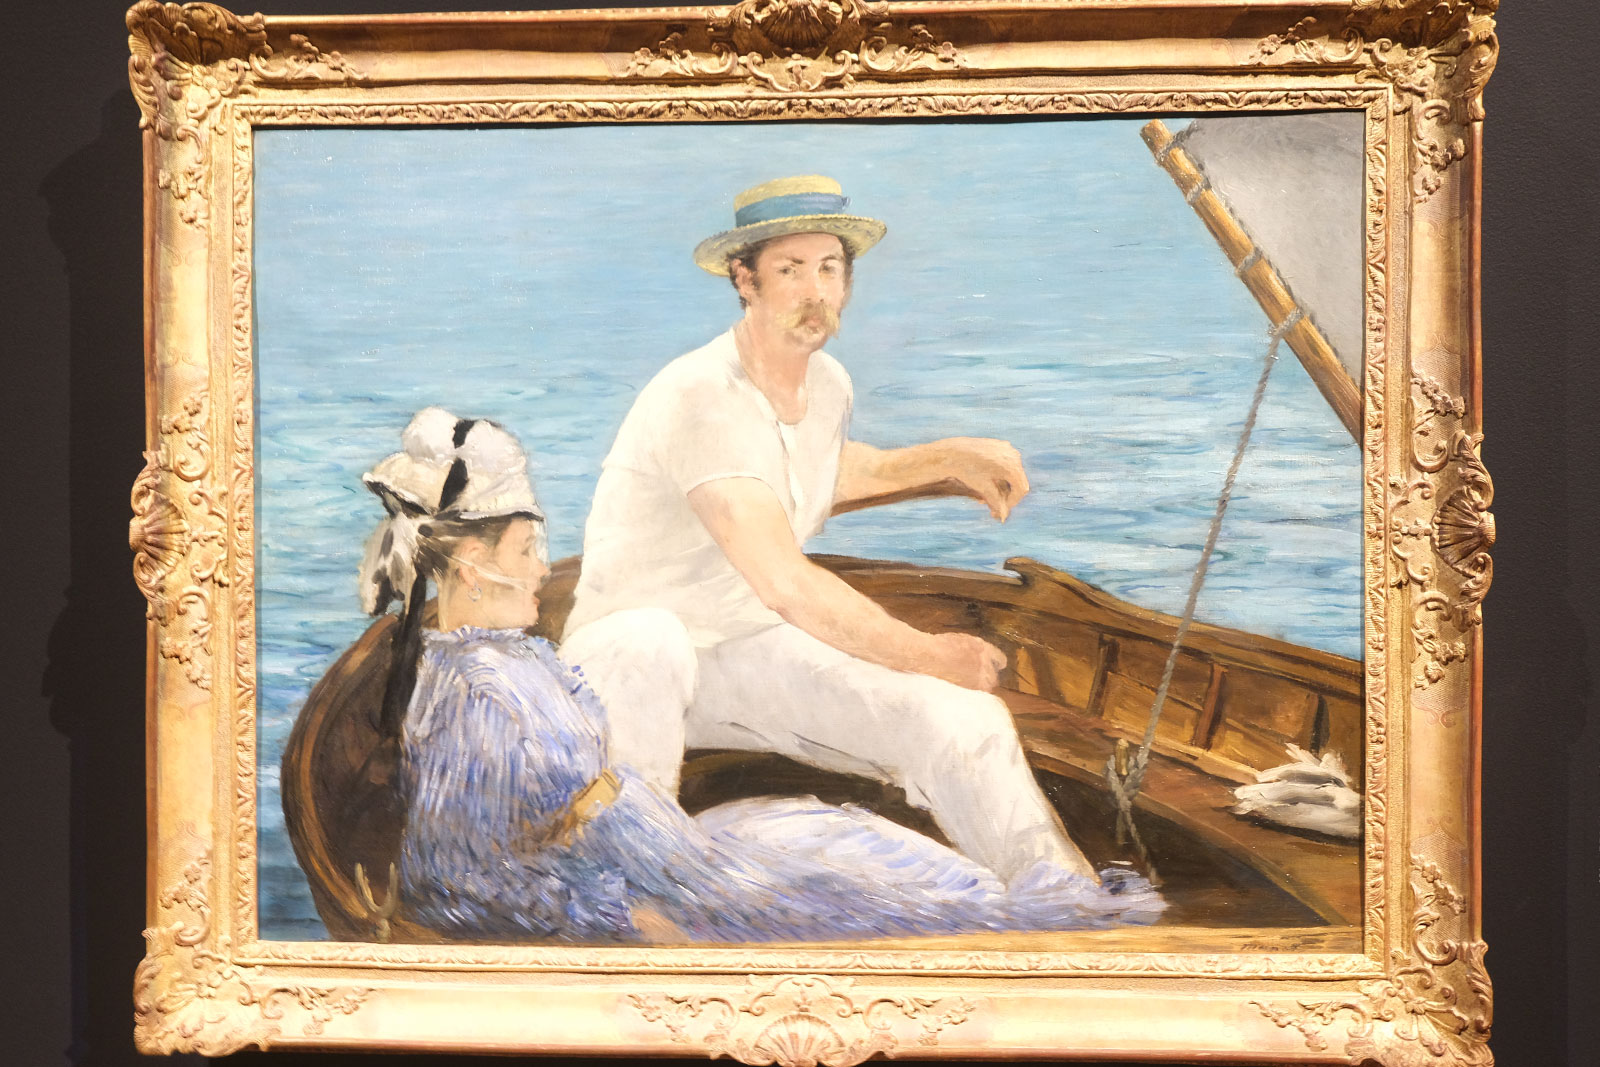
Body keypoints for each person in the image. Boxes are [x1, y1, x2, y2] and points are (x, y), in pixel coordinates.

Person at [357, 407, 1162, 942]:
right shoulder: (488, 698)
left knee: (844, 839)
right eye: (528, 552)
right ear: (472, 565)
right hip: (647, 888)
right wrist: (643, 920)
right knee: (884, 886)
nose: (542, 571)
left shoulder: (496, 664)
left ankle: (1042, 913)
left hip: (659, 859)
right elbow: (468, 881)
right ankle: (1053, 925)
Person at [561, 175, 1099, 887]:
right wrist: (930, 653)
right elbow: (785, 582)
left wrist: (947, 458)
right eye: (791, 270)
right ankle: (637, 889)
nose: (814, 292)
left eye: (830, 269)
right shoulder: (701, 394)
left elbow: (815, 469)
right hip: (633, 661)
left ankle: (1067, 905)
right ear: (745, 280)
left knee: (965, 721)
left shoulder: (828, 385)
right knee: (650, 656)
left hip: (741, 648)